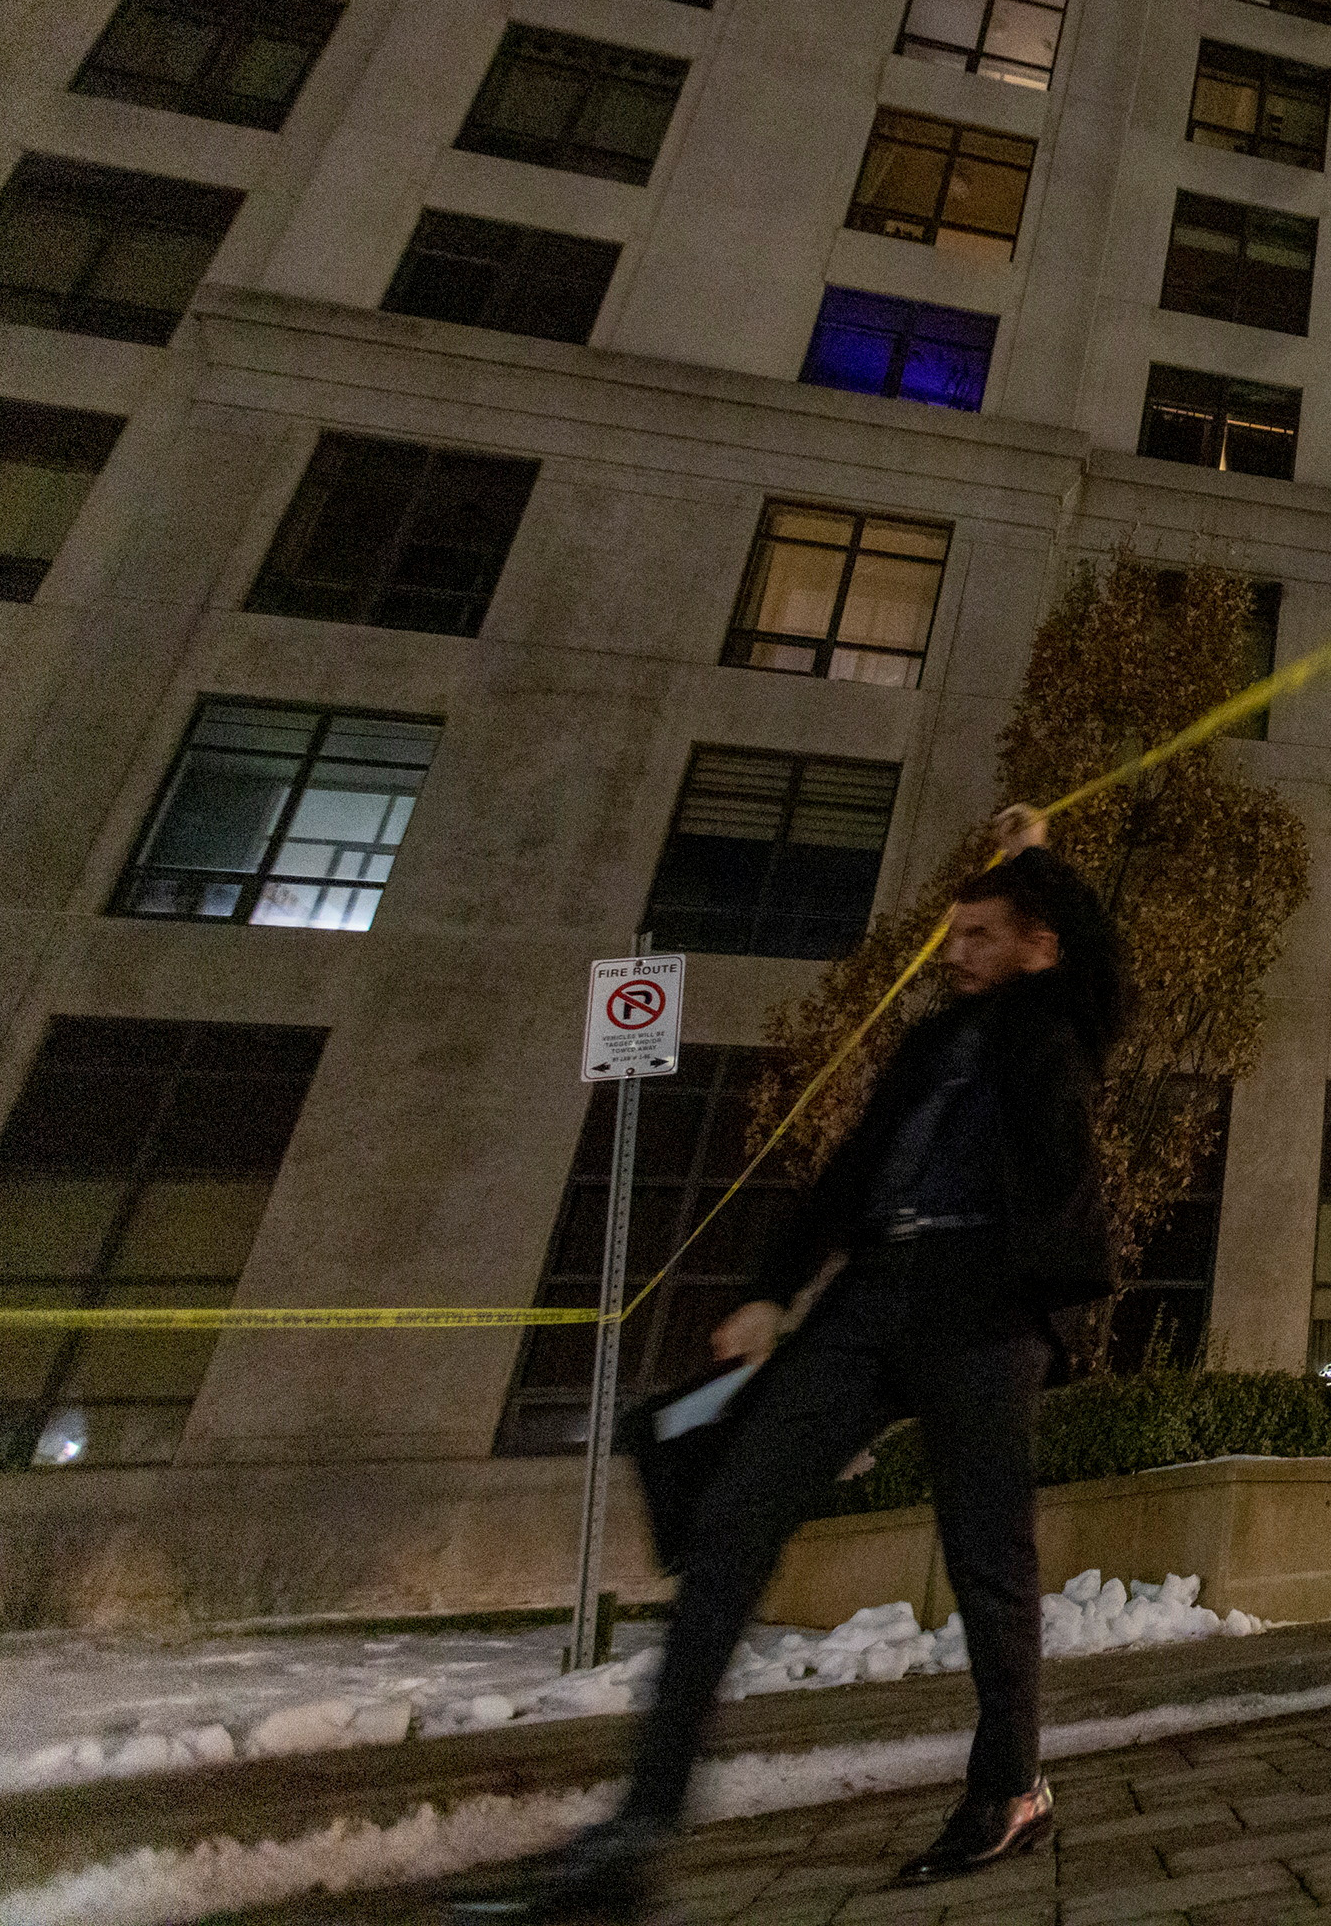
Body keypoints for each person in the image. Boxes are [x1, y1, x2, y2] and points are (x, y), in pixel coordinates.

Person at [457, 810, 1119, 1920]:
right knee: (730, 1524)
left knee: (987, 1556)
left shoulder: (1063, 1023)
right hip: (870, 1300)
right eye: (953, 932)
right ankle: (637, 1829)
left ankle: (1010, 1787)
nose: (953, 950)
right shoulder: (925, 1045)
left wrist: (1031, 854)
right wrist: (772, 1290)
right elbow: (850, 1169)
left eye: (980, 931)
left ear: (1034, 944)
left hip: (984, 1310)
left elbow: (1096, 940)